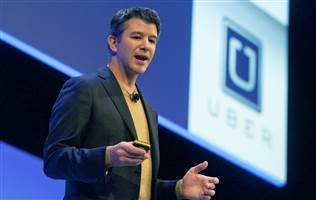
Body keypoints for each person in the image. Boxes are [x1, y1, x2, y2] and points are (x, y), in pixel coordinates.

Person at [43, 7, 219, 200]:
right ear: (113, 42)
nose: (146, 46)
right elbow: (54, 161)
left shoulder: (149, 112)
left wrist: (177, 189)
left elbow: (135, 187)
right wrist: (108, 156)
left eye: (152, 40)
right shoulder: (85, 89)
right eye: (136, 37)